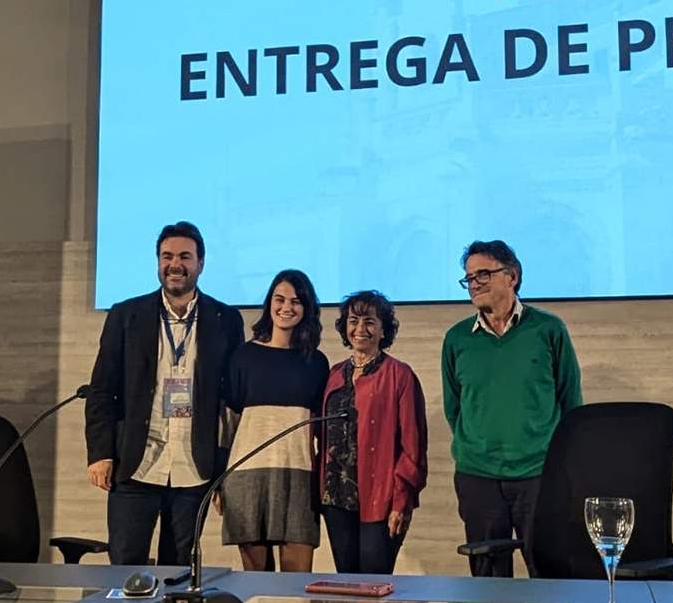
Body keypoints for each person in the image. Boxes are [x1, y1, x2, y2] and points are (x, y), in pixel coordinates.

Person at [85, 221, 244, 566]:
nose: (175, 264)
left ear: (200, 263)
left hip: (193, 467)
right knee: (125, 569)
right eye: (167, 256)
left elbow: (231, 401)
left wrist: (222, 468)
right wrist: (99, 453)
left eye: (185, 256)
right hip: (136, 464)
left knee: (179, 573)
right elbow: (101, 389)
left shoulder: (226, 319)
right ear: (157, 262)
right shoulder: (126, 315)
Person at [441, 239, 582, 577]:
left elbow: (570, 402)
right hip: (478, 476)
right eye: (469, 278)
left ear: (512, 276)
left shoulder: (548, 330)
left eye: (483, 274)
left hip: (539, 474)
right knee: (488, 579)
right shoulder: (457, 339)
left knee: (550, 572)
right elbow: (455, 408)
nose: (474, 284)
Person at [219, 269, 330, 572]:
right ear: (269, 304)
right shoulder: (243, 356)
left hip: (299, 476)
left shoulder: (316, 362)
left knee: (296, 588)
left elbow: (322, 429)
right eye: (279, 299)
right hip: (246, 476)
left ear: (306, 309)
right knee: (258, 588)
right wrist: (217, 482)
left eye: (296, 301)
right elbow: (227, 425)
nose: (286, 307)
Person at [319, 290, 428, 574]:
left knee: (373, 585)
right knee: (346, 584)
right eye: (353, 320)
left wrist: (401, 500)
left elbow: (412, 446)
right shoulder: (333, 374)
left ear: (383, 329)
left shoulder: (399, 375)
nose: (360, 329)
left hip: (380, 497)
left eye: (370, 321)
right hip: (335, 497)